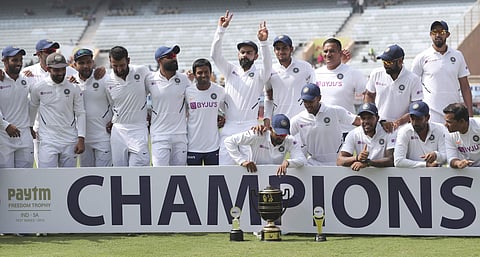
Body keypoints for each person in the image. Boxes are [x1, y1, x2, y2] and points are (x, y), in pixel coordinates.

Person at [210, 10, 272, 165]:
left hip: (249, 128)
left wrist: (263, 43)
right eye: (242, 52)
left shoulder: (260, 75)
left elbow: (268, 65)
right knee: (224, 169)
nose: (245, 55)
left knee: (247, 170)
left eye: (249, 53)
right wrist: (221, 30)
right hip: (229, 126)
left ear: (255, 56)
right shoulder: (230, 70)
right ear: (238, 54)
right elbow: (214, 56)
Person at [29, 53, 86, 168]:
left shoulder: (74, 87)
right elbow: (33, 108)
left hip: (69, 140)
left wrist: (81, 138)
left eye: (62, 69)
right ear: (48, 69)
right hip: (48, 141)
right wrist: (30, 127)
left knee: (68, 179)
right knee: (47, 178)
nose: (60, 73)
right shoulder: (38, 87)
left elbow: (80, 113)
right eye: (56, 70)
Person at [411, 20, 473, 124]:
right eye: (434, 32)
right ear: (430, 35)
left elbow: (465, 86)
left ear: (447, 34)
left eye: (441, 32)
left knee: (454, 140)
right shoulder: (421, 57)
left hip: (454, 113)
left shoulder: (457, 55)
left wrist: (470, 114)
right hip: (431, 113)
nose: (438, 35)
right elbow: (412, 86)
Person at [290, 83, 360, 166]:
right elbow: (285, 136)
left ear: (319, 98)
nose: (308, 105)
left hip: (338, 162)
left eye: (311, 101)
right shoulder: (298, 119)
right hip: (313, 163)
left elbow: (359, 121)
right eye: (305, 101)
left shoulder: (334, 111)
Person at [105, 46, 150, 167]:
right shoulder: (107, 80)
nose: (119, 69)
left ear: (128, 61)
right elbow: (111, 104)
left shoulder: (141, 71)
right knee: (119, 171)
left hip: (139, 128)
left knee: (138, 167)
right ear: (110, 62)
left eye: (122, 65)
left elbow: (156, 88)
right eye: (115, 66)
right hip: (118, 130)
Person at [364, 44, 424, 133]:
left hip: (403, 128)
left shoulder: (413, 79)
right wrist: (372, 116)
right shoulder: (376, 73)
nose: (385, 65)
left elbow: (416, 108)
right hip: (379, 126)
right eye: (384, 62)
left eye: (389, 62)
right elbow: (369, 95)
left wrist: (397, 123)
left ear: (400, 61)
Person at [148, 45, 190, 166]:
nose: (174, 58)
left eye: (175, 55)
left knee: (180, 175)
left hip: (180, 135)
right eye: (170, 56)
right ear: (159, 60)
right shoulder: (150, 79)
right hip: (159, 135)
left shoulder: (184, 79)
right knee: (160, 175)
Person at [315, 38, 366, 137]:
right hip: (321, 128)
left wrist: (366, 117)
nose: (328, 54)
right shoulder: (315, 73)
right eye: (325, 51)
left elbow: (368, 95)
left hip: (346, 129)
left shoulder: (353, 73)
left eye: (332, 51)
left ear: (340, 53)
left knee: (345, 153)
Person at [224, 113, 306, 175]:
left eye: (283, 134)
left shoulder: (289, 140)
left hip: (275, 176)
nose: (281, 137)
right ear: (270, 129)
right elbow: (229, 141)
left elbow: (302, 159)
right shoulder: (257, 134)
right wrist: (242, 161)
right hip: (254, 174)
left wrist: (288, 162)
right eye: (278, 134)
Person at [72, 48, 113, 167]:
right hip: (82, 140)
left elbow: (115, 103)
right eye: (81, 63)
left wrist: (114, 120)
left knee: (104, 175)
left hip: (103, 137)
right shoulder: (71, 81)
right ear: (74, 65)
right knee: (87, 176)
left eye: (88, 62)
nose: (86, 66)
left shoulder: (103, 78)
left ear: (93, 62)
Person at [265, 34, 316, 120]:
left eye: (284, 48)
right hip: (279, 121)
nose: (281, 51)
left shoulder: (305, 67)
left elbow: (314, 93)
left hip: (302, 119)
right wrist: (267, 118)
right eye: (278, 49)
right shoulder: (270, 70)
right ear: (274, 51)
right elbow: (268, 98)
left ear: (291, 49)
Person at [185, 58, 226, 165]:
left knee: (214, 180)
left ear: (210, 72)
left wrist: (222, 117)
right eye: (199, 73)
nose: (203, 75)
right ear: (194, 74)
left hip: (213, 146)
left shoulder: (219, 90)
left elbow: (226, 110)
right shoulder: (188, 91)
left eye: (206, 72)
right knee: (193, 180)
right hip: (193, 146)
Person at [0, 46, 35, 168]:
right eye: (14, 60)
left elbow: (47, 86)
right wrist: (6, 125)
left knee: (26, 178)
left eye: (21, 60)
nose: (19, 63)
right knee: (7, 178)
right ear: (4, 60)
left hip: (24, 135)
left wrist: (70, 80)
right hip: (4, 136)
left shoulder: (26, 79)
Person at [337, 102, 395, 171]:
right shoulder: (354, 133)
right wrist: (357, 158)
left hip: (385, 176)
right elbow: (340, 161)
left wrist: (368, 163)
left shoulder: (388, 131)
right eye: (363, 118)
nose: (366, 121)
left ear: (377, 118)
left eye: (369, 118)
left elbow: (391, 160)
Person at [394, 101, 447, 168]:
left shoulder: (440, 129)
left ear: (427, 118)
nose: (415, 123)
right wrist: (425, 165)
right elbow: (398, 161)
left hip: (436, 175)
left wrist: (436, 155)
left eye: (419, 119)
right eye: (412, 118)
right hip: (411, 176)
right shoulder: (404, 131)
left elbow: (446, 157)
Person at [443, 103, 480, 168]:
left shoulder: (478, 127)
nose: (445, 125)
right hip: (467, 170)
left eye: (449, 122)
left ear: (462, 121)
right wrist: (458, 163)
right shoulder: (449, 134)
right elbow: (451, 158)